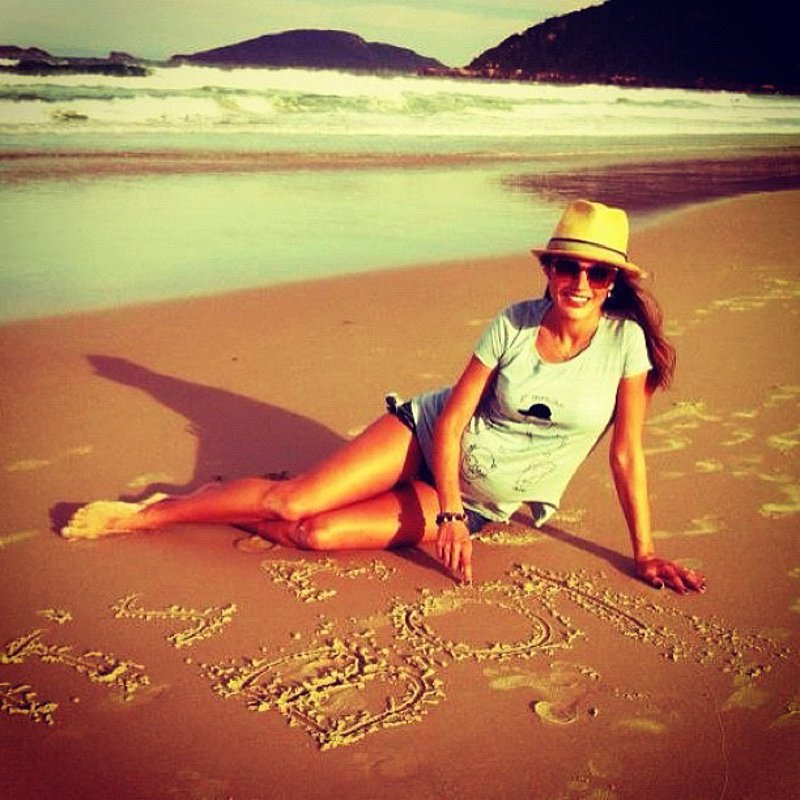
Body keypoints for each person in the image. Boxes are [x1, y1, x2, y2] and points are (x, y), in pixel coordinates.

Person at [62, 199, 705, 595]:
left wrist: (645, 552)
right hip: (425, 439)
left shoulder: (626, 346)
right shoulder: (512, 324)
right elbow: (452, 421)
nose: (579, 282)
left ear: (614, 280)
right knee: (293, 500)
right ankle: (158, 513)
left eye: (597, 271)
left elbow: (626, 454)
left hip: (482, 499)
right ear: (549, 269)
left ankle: (235, 499)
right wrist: (447, 516)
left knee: (315, 532)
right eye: (567, 266)